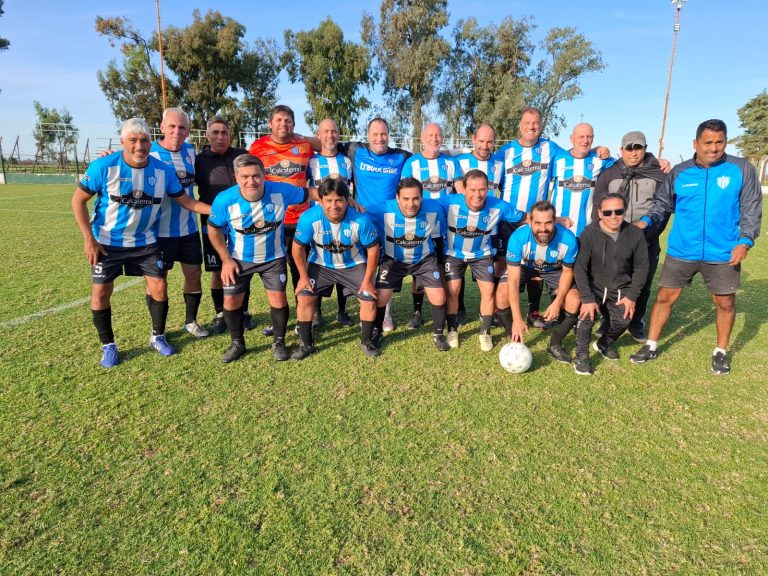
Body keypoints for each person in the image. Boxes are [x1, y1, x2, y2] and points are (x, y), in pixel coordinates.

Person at [71, 118, 210, 367]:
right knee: (101, 292)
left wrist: (218, 211)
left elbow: (186, 201)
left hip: (145, 241)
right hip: (106, 241)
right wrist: (88, 240)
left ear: (150, 142)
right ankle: (108, 346)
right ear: (122, 141)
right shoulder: (103, 166)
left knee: (159, 287)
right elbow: (77, 201)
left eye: (144, 140)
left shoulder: (162, 170)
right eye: (133, 140)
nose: (139, 146)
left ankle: (158, 336)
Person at [629, 119, 763, 375]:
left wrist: (744, 241)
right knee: (665, 297)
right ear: (696, 143)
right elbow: (662, 205)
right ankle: (651, 345)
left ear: (726, 141)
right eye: (708, 143)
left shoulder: (740, 169)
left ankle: (721, 351)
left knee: (724, 303)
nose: (714, 148)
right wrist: (645, 221)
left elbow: (751, 208)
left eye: (719, 142)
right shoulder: (680, 172)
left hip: (723, 251)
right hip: (682, 249)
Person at [207, 154, 307, 363]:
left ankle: (278, 342)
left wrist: (342, 196)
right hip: (238, 259)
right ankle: (237, 344)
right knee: (231, 301)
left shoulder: (281, 190)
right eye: (245, 176)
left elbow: (313, 193)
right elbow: (213, 230)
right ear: (236, 177)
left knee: (278, 299)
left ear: (264, 175)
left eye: (256, 176)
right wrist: (225, 260)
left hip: (273, 258)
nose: (251, 181)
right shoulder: (224, 200)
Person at [292, 178, 380, 360]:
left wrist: (367, 279)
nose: (334, 206)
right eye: (329, 201)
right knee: (304, 296)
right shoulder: (309, 218)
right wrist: (302, 276)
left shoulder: (361, 219)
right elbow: (297, 247)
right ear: (320, 200)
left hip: (353, 264)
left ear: (347, 200)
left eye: (339, 200)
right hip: (320, 264)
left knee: (369, 298)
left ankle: (366, 342)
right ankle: (306, 344)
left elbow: (373, 249)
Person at [592, 130, 667, 342]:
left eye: (638, 148)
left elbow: (663, 209)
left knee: (641, 284)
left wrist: (646, 236)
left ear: (645, 148)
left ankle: (636, 322)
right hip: (613, 241)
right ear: (621, 150)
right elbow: (598, 205)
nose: (634, 153)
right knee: (610, 282)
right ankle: (608, 319)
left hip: (646, 241)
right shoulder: (609, 173)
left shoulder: (659, 173)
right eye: (629, 148)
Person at [337, 118, 411, 332]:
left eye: (384, 134)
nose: (380, 138)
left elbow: (427, 157)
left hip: (389, 223)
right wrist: (296, 138)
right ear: (368, 135)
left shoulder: (401, 156)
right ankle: (364, 309)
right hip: (362, 222)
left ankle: (386, 314)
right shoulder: (355, 150)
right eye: (375, 134)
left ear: (389, 134)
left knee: (385, 271)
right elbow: (326, 142)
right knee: (364, 269)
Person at [441, 169, 525, 351]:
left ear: (488, 189)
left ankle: (485, 332)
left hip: (482, 254)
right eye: (472, 190)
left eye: (482, 190)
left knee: (488, 290)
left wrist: (556, 220)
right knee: (453, 290)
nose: (477, 195)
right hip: (454, 253)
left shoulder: (499, 206)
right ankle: (452, 329)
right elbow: (422, 207)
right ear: (463, 189)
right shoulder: (448, 202)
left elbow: (525, 218)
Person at [249, 104, 315, 334]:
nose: (283, 124)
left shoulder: (304, 145)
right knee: (276, 274)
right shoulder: (257, 148)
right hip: (272, 221)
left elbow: (324, 142)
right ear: (270, 123)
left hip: (301, 220)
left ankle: (303, 319)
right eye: (278, 120)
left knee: (300, 270)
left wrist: (304, 136)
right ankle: (279, 321)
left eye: (287, 121)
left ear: (294, 125)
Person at [572, 194, 649, 375]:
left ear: (624, 211)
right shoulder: (589, 233)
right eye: (607, 212)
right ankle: (582, 356)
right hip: (595, 286)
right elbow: (580, 268)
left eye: (618, 211)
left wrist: (632, 297)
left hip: (622, 288)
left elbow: (641, 267)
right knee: (586, 317)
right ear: (599, 213)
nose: (613, 216)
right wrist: (587, 298)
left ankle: (603, 343)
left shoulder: (635, 233)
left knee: (624, 320)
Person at [149, 107, 208, 338]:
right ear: (162, 127)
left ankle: (190, 321)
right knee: (158, 282)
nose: (176, 131)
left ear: (188, 131)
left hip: (189, 229)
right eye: (171, 126)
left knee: (194, 274)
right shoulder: (149, 152)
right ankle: (158, 330)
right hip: (158, 232)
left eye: (182, 127)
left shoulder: (191, 152)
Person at [373, 177, 450, 352]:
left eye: (415, 198)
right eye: (406, 199)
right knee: (381, 298)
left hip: (424, 259)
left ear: (422, 197)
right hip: (393, 260)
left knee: (439, 297)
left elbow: (442, 229)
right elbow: (358, 212)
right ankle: (376, 332)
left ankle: (438, 335)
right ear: (397, 198)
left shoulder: (435, 209)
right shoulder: (382, 209)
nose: (411, 203)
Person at [502, 201, 581, 364]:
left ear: (555, 221)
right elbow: (513, 280)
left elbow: (567, 272)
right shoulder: (518, 237)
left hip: (554, 270)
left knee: (574, 301)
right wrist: (517, 318)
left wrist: (558, 302)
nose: (543, 228)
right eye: (538, 222)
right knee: (501, 295)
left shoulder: (567, 239)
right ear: (530, 221)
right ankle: (515, 335)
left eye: (548, 223)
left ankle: (555, 344)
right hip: (527, 268)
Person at [400, 123, 460, 330]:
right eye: (431, 135)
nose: (435, 139)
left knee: (444, 269)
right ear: (422, 138)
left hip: (445, 226)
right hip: (421, 226)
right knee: (419, 272)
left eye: (439, 135)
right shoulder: (412, 163)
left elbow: (460, 193)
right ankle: (417, 311)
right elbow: (405, 194)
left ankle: (450, 309)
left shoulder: (451, 163)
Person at [194, 115, 248, 334]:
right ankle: (220, 313)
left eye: (224, 133)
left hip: (242, 222)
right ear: (207, 136)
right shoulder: (198, 161)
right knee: (218, 270)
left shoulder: (241, 155)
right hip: (213, 224)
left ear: (230, 135)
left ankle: (243, 312)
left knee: (243, 267)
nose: (220, 137)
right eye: (215, 133)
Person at [453, 123, 504, 326]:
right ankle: (460, 308)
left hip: (490, 225)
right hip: (463, 223)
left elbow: (504, 192)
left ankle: (492, 312)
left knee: (489, 267)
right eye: (481, 141)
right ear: (473, 140)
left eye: (489, 141)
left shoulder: (500, 164)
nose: (485, 145)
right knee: (460, 265)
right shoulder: (460, 160)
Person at [308, 118, 355, 327]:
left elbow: (351, 191)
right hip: (318, 221)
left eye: (334, 131)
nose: (330, 136)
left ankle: (342, 311)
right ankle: (317, 312)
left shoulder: (346, 162)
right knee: (318, 262)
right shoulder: (312, 161)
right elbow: (305, 189)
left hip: (343, 220)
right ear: (318, 135)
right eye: (325, 132)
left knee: (342, 259)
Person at [550, 122, 615, 238]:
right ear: (571, 138)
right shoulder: (558, 158)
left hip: (588, 231)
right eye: (581, 136)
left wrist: (655, 161)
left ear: (593, 139)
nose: (585, 140)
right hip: (558, 228)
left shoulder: (600, 160)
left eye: (589, 136)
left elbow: (627, 162)